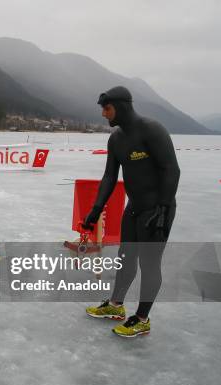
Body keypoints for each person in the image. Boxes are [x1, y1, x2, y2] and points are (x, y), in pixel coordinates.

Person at [83, 86, 180, 338]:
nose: (104, 114)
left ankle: (142, 318)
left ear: (122, 106)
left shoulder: (151, 130)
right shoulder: (116, 139)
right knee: (126, 258)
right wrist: (96, 209)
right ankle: (115, 306)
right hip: (134, 208)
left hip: (157, 209)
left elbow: (172, 170)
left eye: (107, 108)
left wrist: (162, 209)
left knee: (149, 264)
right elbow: (109, 177)